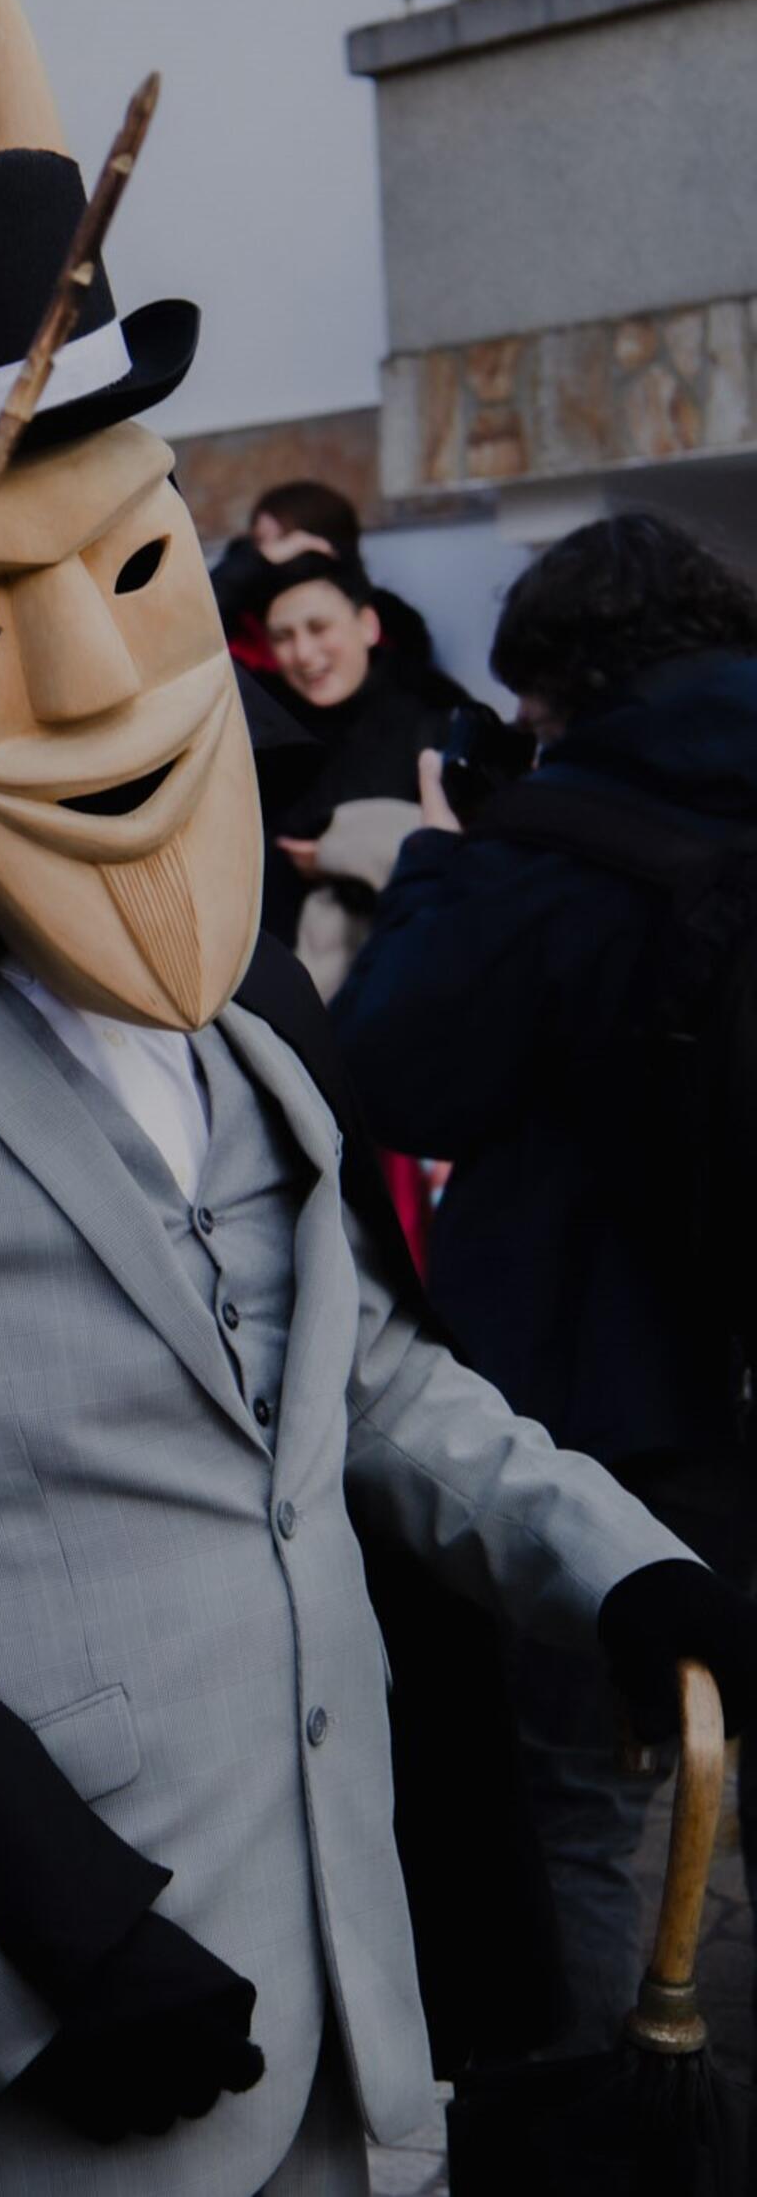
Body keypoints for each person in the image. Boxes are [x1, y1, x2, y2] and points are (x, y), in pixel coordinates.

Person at [0, 0, 757, 2197]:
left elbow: (352, 1375)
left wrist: (608, 1562)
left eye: (131, 571)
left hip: (354, 2027)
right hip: (42, 2066)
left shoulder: (232, 1003)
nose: (104, 682)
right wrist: (17, 1941)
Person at [333, 511, 757, 2055]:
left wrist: (439, 864)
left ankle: (647, 2122)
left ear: (562, 687)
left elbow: (398, 1074)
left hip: (621, 1409)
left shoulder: (550, 848)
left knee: (597, 1804)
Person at [259, 553, 464, 1000]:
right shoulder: (265, 737)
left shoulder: (430, 722)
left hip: (406, 981)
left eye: (318, 628)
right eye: (283, 637)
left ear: (368, 626)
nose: (304, 653)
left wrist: (340, 850)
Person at [212, 477, 449, 702]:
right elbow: (194, 627)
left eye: (285, 541)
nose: (275, 555)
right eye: (260, 544)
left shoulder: (390, 624)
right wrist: (251, 563)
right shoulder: (241, 626)